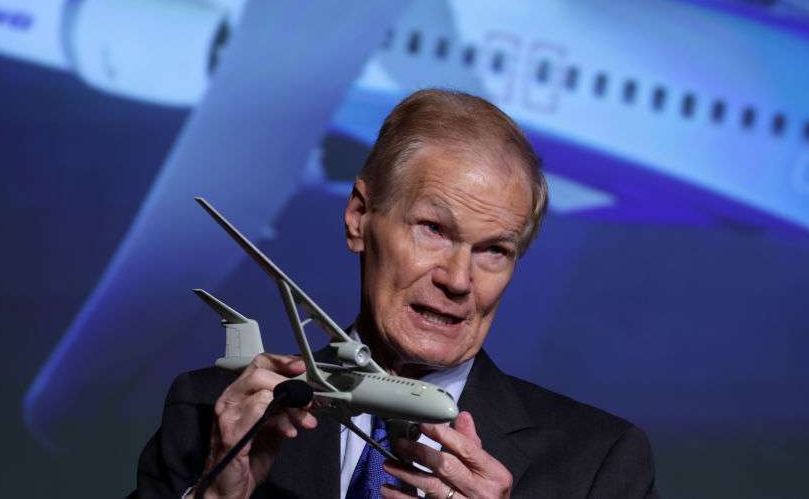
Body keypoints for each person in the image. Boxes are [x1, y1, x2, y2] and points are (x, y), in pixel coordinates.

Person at [131, 88, 658, 498]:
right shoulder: (209, 416)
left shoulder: (598, 464)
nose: (457, 279)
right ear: (360, 217)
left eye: (494, 250)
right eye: (434, 229)